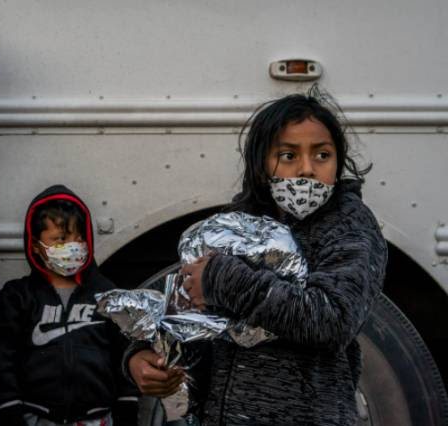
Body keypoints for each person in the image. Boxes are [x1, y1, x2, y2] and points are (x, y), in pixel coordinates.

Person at [126, 89, 388, 425]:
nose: (307, 169)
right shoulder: (236, 223)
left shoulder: (349, 226)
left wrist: (224, 280)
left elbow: (332, 321)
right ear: (262, 163)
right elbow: (183, 302)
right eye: (288, 155)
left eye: (322, 155)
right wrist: (143, 354)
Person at [0, 185, 139, 426]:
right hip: (37, 417)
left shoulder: (108, 294)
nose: (72, 246)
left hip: (98, 418)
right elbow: (0, 356)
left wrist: (128, 401)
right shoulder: (18, 296)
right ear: (36, 245)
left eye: (79, 238)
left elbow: (127, 350)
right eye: (60, 239)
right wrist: (9, 405)